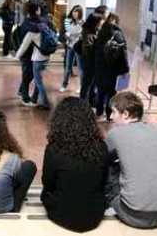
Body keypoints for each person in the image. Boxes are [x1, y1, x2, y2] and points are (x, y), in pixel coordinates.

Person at [105, 91, 157, 228]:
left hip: (133, 215)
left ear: (125, 114)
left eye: (113, 112)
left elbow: (102, 159)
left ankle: (107, 206)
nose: (110, 116)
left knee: (107, 169)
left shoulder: (115, 133)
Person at [41, 97, 108, 232]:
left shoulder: (54, 149)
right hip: (94, 214)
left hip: (60, 214)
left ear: (59, 120)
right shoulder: (101, 146)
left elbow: (47, 182)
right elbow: (103, 181)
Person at [94, 13, 129, 121]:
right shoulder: (119, 34)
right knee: (111, 93)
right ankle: (109, 115)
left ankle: (99, 112)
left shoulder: (101, 32)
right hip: (112, 70)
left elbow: (95, 50)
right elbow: (123, 54)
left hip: (100, 68)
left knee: (100, 92)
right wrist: (125, 69)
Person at [15, 4, 51, 110]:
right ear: (36, 11)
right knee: (29, 76)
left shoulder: (26, 23)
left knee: (29, 76)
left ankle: (23, 92)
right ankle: (25, 98)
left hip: (31, 54)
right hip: (31, 54)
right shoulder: (38, 24)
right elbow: (25, 42)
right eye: (39, 9)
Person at [80, 6, 107, 105]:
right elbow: (89, 49)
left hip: (92, 61)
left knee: (92, 83)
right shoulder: (89, 32)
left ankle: (90, 101)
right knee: (87, 83)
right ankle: (83, 103)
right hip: (90, 62)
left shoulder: (92, 27)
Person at [59, 5, 84, 94]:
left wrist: (73, 34)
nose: (74, 14)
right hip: (70, 46)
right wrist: (68, 35)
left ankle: (81, 86)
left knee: (80, 68)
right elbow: (67, 32)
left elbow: (80, 35)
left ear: (80, 13)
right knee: (68, 67)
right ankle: (64, 85)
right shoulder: (69, 21)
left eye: (77, 12)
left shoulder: (82, 23)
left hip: (78, 48)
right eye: (73, 11)